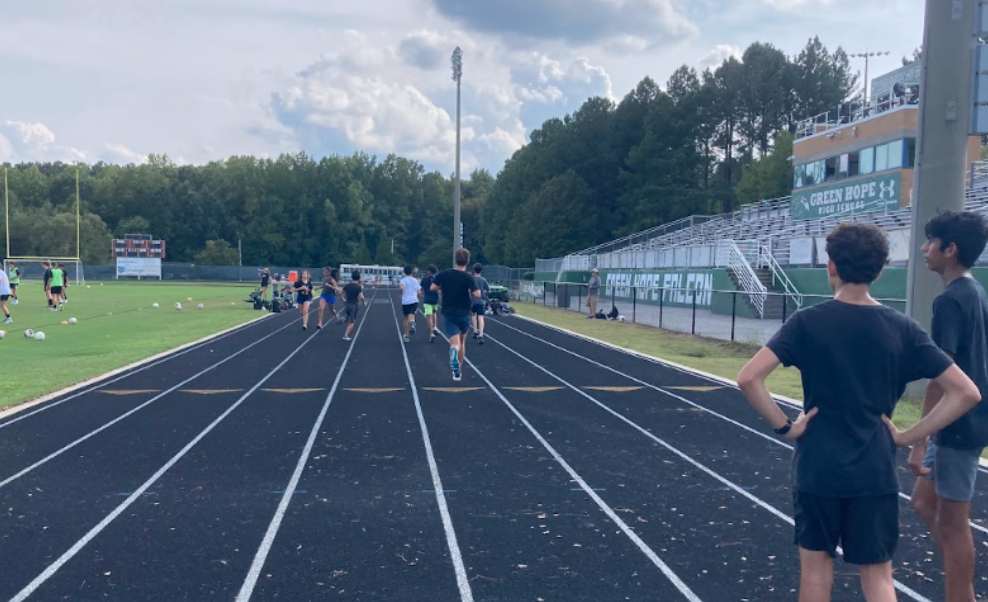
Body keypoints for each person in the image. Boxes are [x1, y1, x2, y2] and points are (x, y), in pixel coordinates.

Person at [737, 223, 981, 602]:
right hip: (875, 470)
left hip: (818, 467)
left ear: (830, 266)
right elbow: (966, 393)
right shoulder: (903, 329)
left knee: (816, 573)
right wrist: (908, 436)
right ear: (880, 271)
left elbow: (749, 378)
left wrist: (786, 427)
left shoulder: (806, 322)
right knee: (879, 578)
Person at [908, 211, 988, 602]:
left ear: (950, 249)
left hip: (959, 426)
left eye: (930, 242)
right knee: (923, 502)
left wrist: (919, 439)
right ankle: (964, 585)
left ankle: (960, 594)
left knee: (955, 525)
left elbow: (943, 376)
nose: (924, 249)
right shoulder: (975, 292)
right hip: (960, 422)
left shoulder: (951, 301)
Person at [432, 248, 481, 381]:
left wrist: (443, 288)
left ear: (455, 260)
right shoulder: (467, 277)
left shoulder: (444, 274)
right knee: (462, 341)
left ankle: (453, 352)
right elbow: (477, 294)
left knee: (454, 343)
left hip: (448, 312)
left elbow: (432, 287)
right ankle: (458, 371)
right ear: (468, 261)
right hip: (464, 312)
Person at [341, 271, 365, 342]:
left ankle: (345, 318)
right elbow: (361, 297)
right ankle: (345, 335)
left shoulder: (347, 285)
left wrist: (343, 299)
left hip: (347, 304)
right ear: (359, 278)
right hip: (354, 305)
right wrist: (364, 302)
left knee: (348, 318)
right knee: (352, 322)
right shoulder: (358, 287)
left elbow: (341, 293)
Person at [399, 265, 421, 343]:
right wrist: (418, 294)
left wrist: (400, 293)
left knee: (406, 318)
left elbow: (401, 288)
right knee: (412, 314)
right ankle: (412, 322)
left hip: (405, 301)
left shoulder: (403, 280)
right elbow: (419, 292)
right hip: (414, 300)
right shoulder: (415, 280)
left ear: (404, 272)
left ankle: (406, 335)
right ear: (411, 272)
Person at [471, 263, 490, 344]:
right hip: (481, 301)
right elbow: (488, 290)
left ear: (473, 270)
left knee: (473, 316)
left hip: (473, 301)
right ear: (481, 271)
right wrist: (484, 293)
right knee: (481, 317)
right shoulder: (483, 280)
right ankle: (481, 334)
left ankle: (475, 331)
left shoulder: (471, 279)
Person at [420, 265, 440, 343]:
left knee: (429, 316)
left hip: (427, 300)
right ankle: (435, 327)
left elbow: (421, 289)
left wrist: (420, 294)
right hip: (435, 299)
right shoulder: (436, 279)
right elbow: (439, 288)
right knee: (434, 313)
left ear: (429, 271)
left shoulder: (424, 280)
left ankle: (431, 333)